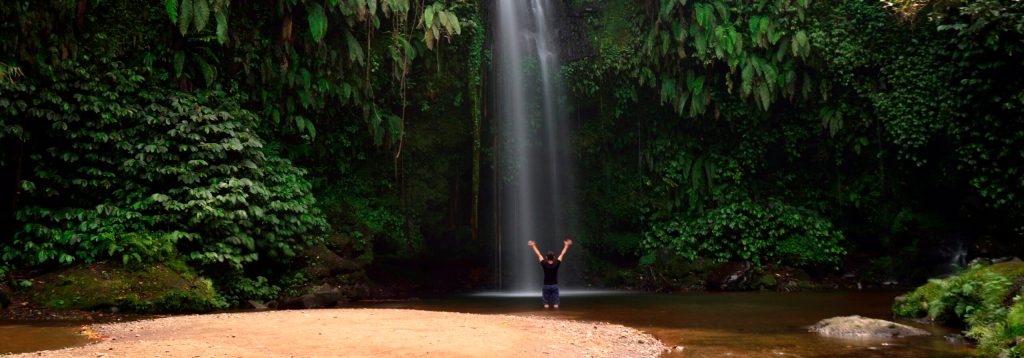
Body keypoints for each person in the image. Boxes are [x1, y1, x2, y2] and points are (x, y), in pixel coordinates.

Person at [527, 238, 572, 309]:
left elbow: (538, 254)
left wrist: (533, 246)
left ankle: (546, 315)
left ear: (546, 257)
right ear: (554, 257)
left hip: (546, 285)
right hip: (554, 285)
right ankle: (556, 315)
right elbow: (562, 254)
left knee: (546, 304)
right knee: (556, 304)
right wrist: (566, 245)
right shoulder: (556, 263)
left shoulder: (544, 264)